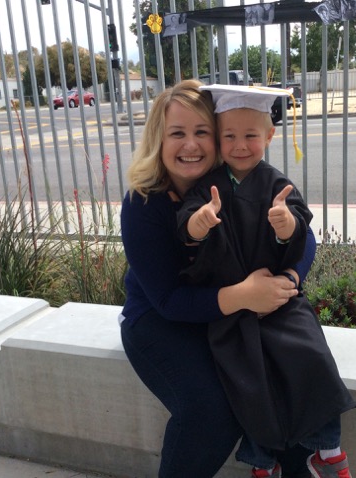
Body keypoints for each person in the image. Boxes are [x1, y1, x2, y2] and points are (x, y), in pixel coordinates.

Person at [119, 79, 317, 478]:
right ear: (159, 139)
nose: (190, 145)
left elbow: (304, 234)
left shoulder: (238, 180)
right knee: (210, 409)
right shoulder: (143, 202)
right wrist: (245, 296)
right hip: (160, 321)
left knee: (286, 377)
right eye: (177, 133)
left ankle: (302, 465)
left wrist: (290, 278)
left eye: (202, 132)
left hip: (224, 315)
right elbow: (169, 301)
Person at [177, 84, 356, 478]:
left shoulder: (277, 185)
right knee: (249, 379)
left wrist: (285, 224)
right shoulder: (208, 189)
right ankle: (263, 462)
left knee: (312, 357)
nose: (240, 145)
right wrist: (200, 221)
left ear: (270, 136)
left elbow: (298, 227)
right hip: (234, 308)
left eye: (250, 136)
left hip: (278, 301)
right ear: (219, 138)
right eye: (229, 136)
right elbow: (187, 226)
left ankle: (328, 451)